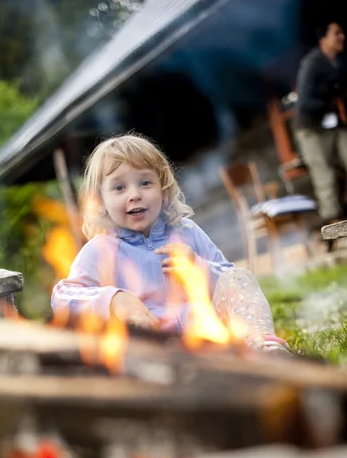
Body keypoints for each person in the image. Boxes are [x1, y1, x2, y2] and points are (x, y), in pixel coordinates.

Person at [52, 134, 288, 352]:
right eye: (119, 187)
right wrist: (114, 300)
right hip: (152, 349)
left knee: (239, 277)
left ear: (163, 191)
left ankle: (262, 346)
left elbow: (229, 279)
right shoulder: (100, 249)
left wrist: (198, 266)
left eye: (145, 183)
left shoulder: (186, 231)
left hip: (209, 339)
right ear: (100, 201)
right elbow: (63, 297)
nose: (134, 194)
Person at [294, 22, 347, 223]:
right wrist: (330, 100)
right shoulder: (312, 63)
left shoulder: (340, 62)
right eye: (337, 33)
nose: (342, 37)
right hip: (312, 128)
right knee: (325, 176)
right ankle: (334, 225)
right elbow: (305, 102)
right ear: (323, 39)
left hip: (335, 126)